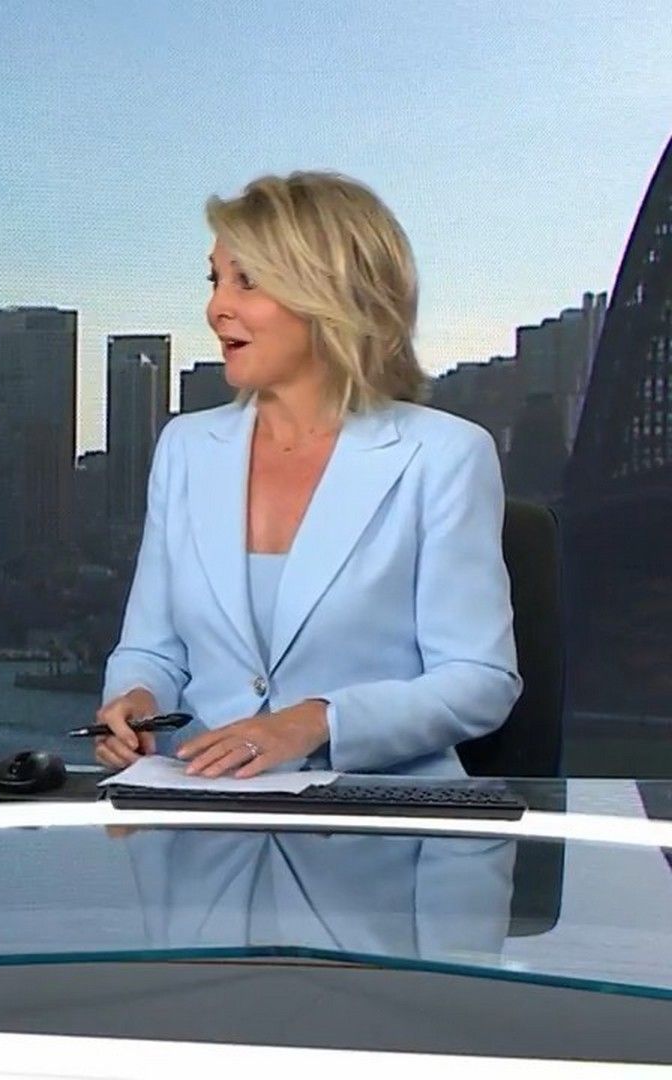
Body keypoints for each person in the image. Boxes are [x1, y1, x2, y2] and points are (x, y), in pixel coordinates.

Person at [96, 171, 521, 778]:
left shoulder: (443, 456)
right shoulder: (186, 448)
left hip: (377, 818)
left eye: (248, 281)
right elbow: (151, 649)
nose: (216, 308)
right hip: (204, 808)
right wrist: (137, 699)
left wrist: (316, 722)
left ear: (331, 294)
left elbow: (479, 681)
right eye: (215, 280)